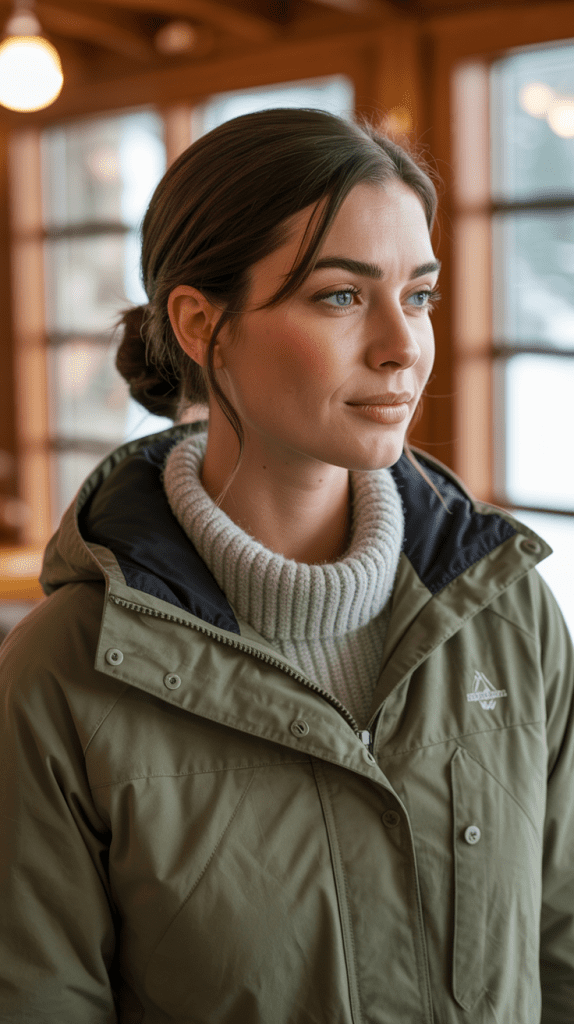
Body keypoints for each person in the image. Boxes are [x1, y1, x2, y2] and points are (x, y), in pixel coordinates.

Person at [0, 107, 572, 1024]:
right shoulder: (62, 675)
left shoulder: (508, 614)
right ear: (199, 322)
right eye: (341, 297)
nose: (402, 347)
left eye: (418, 295)